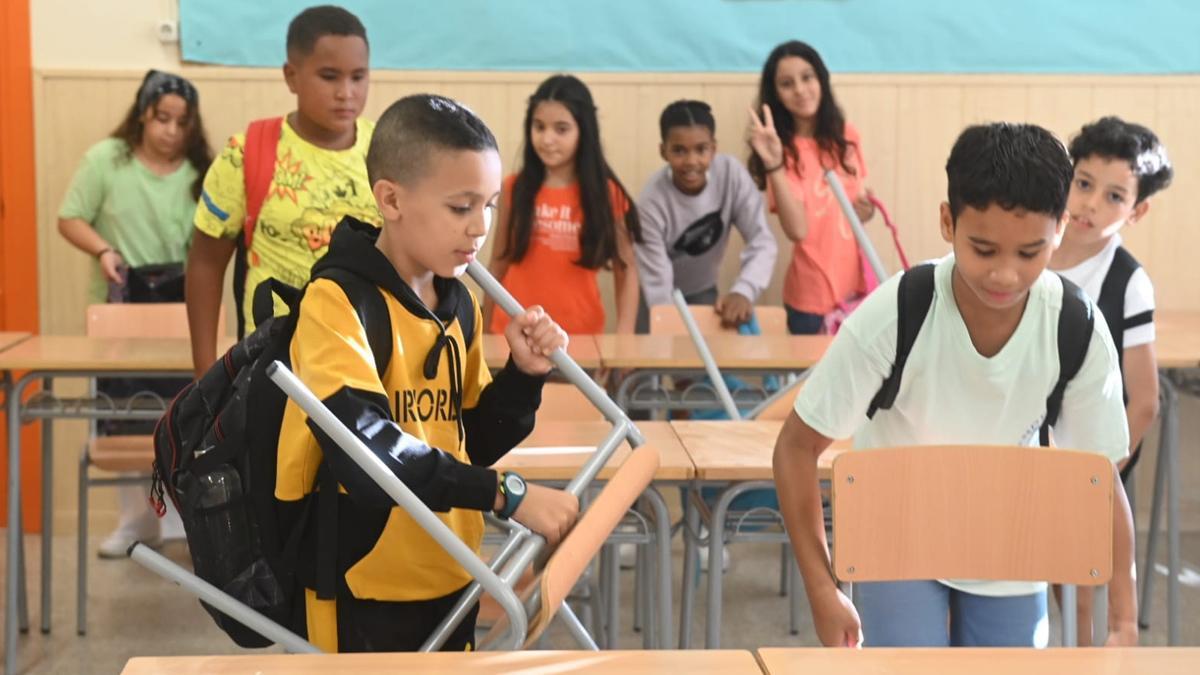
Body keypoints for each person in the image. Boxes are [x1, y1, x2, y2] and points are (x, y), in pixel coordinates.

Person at [772, 122, 1138, 648]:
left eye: (1029, 253)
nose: (1005, 275)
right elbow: (796, 447)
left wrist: (1124, 618)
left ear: (1059, 228)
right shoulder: (898, 312)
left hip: (1010, 545)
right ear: (948, 221)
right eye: (984, 250)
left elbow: (1100, 479)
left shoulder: (1075, 325)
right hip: (897, 538)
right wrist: (823, 590)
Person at [276, 94, 579, 652]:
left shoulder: (458, 300)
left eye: (489, 205)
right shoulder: (336, 302)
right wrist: (505, 495)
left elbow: (473, 441)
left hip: (452, 567)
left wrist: (524, 376)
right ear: (390, 199)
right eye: (461, 207)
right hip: (361, 582)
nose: (480, 228)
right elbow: (369, 457)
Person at [57, 69, 212, 557]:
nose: (170, 130)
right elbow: (70, 218)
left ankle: (180, 521)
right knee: (123, 416)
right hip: (121, 302)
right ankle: (135, 523)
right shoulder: (108, 160)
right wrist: (104, 250)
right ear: (142, 114)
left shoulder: (200, 171)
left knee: (181, 414)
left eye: (181, 121)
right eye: (161, 118)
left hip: (180, 305)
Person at [186, 4, 380, 378]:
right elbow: (205, 263)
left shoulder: (388, 152)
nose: (346, 93)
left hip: (369, 360)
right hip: (271, 366)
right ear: (291, 76)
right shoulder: (247, 153)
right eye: (329, 76)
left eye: (358, 77)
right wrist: (204, 373)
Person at [1048, 115, 1173, 645]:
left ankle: (1098, 645)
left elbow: (1144, 402)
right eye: (1083, 184)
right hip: (1028, 440)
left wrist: (1097, 473)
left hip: (1096, 453)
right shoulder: (1030, 252)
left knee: (1078, 588)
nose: (1090, 204)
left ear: (1137, 210)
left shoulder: (1128, 282)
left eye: (1114, 196)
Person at [484, 74, 641, 336]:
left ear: (583, 131)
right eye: (539, 127)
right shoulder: (514, 187)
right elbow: (498, 265)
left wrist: (625, 336)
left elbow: (627, 271)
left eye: (561, 129)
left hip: (578, 337)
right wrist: (484, 331)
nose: (547, 139)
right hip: (511, 334)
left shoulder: (606, 194)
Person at [747, 40, 876, 335]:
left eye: (807, 77)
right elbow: (797, 231)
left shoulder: (847, 136)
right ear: (776, 95)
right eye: (787, 84)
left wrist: (865, 212)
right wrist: (774, 164)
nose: (801, 90)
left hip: (858, 291)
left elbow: (855, 205)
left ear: (821, 79)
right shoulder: (783, 152)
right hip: (811, 300)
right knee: (811, 382)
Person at [635, 99, 777, 329]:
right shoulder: (651, 202)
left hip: (703, 291)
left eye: (701, 149)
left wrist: (744, 291)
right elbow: (658, 285)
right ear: (663, 151)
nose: (691, 161)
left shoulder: (732, 175)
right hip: (657, 298)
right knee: (657, 361)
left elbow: (762, 240)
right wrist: (667, 323)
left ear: (713, 148)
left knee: (709, 361)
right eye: (679, 151)